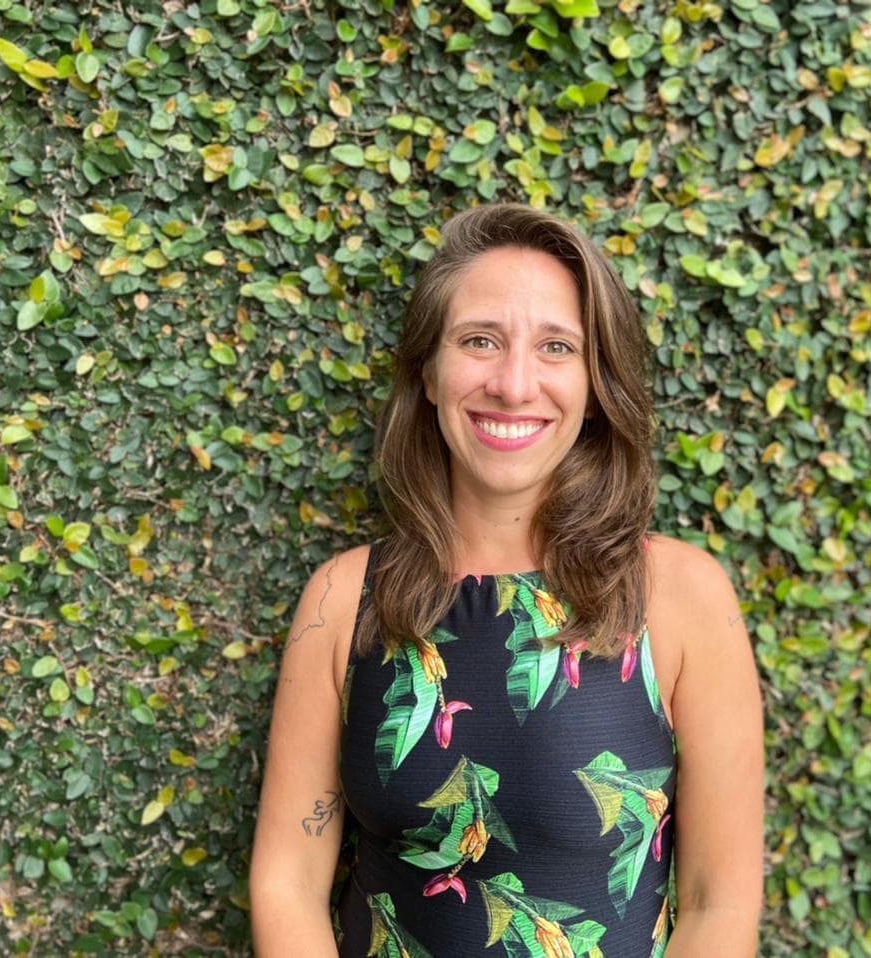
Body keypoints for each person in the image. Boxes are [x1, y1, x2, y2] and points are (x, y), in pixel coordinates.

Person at [249, 203, 764, 956]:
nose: (514, 384)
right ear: (428, 371)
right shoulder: (344, 600)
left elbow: (721, 904)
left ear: (596, 385)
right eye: (479, 341)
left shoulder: (680, 599)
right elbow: (287, 880)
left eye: (557, 347)